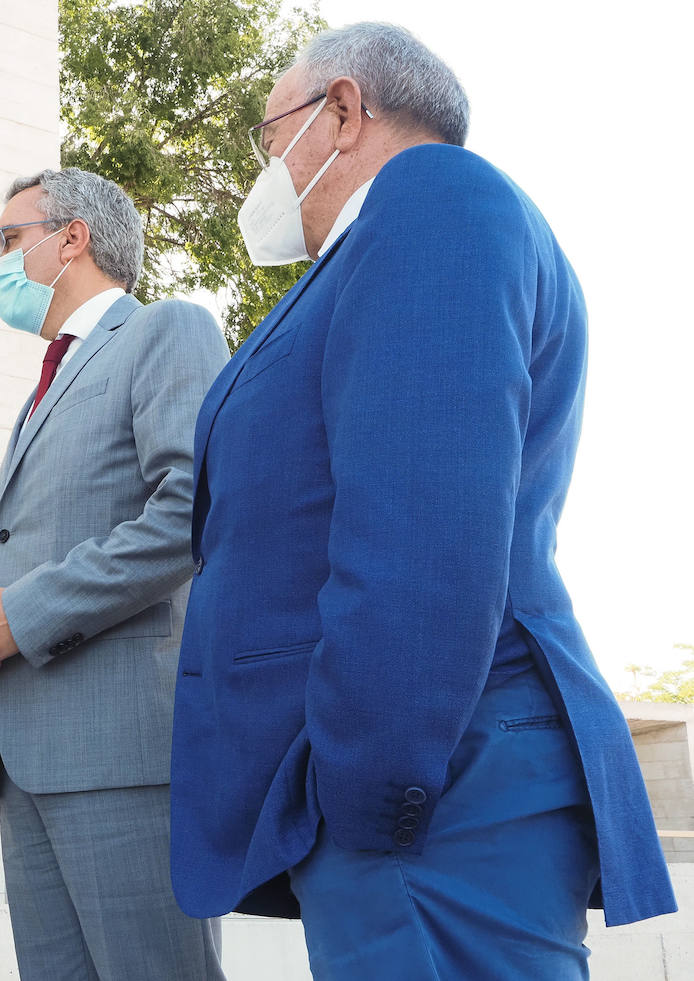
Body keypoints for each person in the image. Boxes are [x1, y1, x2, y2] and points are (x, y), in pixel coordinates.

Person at [169, 21, 676, 979]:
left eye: (268, 136)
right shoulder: (384, 241)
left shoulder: (432, 196)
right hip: (426, 773)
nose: (264, 168)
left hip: (431, 781)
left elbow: (423, 529)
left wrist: (368, 788)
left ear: (344, 110)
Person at [0, 168, 229, 980]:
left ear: (72, 238)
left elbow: (190, 511)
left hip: (121, 755)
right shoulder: (44, 385)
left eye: (8, 240)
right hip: (27, 756)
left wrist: (16, 617)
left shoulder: (168, 331)